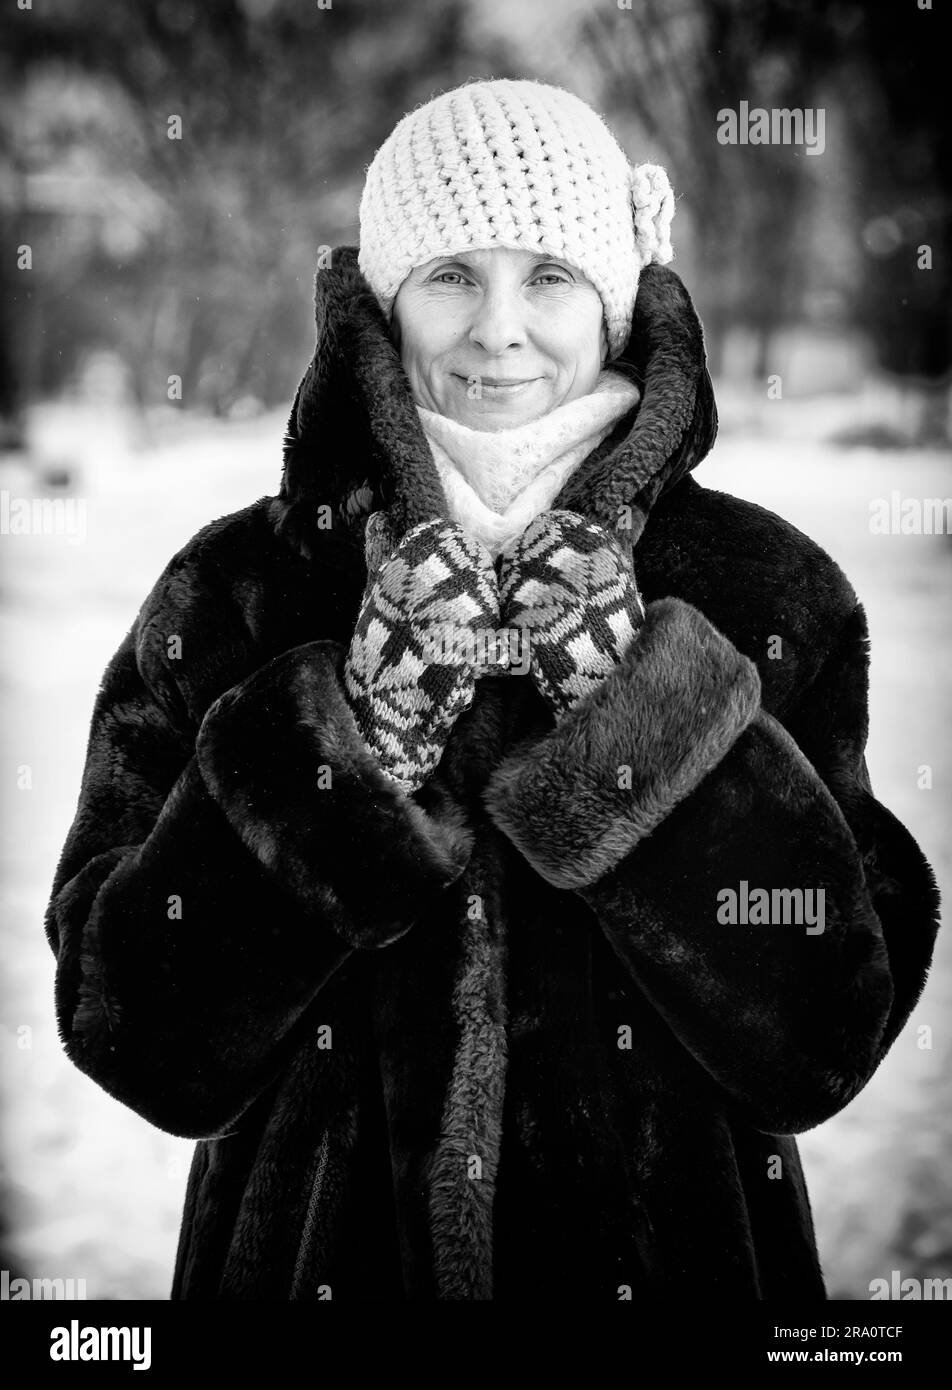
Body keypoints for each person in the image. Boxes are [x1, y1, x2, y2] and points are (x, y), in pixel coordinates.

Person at [45, 78, 940, 1301]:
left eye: (550, 276)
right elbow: (133, 1032)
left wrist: (642, 715)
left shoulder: (766, 590)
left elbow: (823, 1036)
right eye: (451, 275)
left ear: (617, 300)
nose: (497, 329)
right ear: (386, 299)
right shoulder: (239, 588)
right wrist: (344, 745)